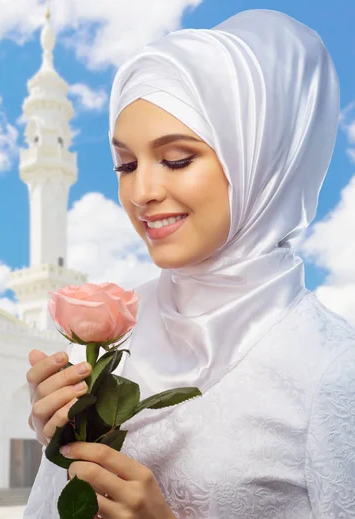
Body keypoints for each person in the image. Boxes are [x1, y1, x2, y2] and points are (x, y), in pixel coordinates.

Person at [24, 9, 355, 519]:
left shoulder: (331, 370)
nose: (142, 192)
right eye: (126, 165)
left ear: (259, 162)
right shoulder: (116, 338)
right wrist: (63, 439)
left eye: (177, 159)